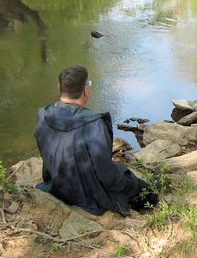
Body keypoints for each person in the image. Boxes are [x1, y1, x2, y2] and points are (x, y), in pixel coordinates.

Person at [34, 65, 158, 216]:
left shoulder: (43, 115)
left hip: (56, 184)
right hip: (87, 194)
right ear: (86, 90)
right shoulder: (94, 124)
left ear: (59, 87)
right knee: (141, 187)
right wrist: (128, 184)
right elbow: (106, 176)